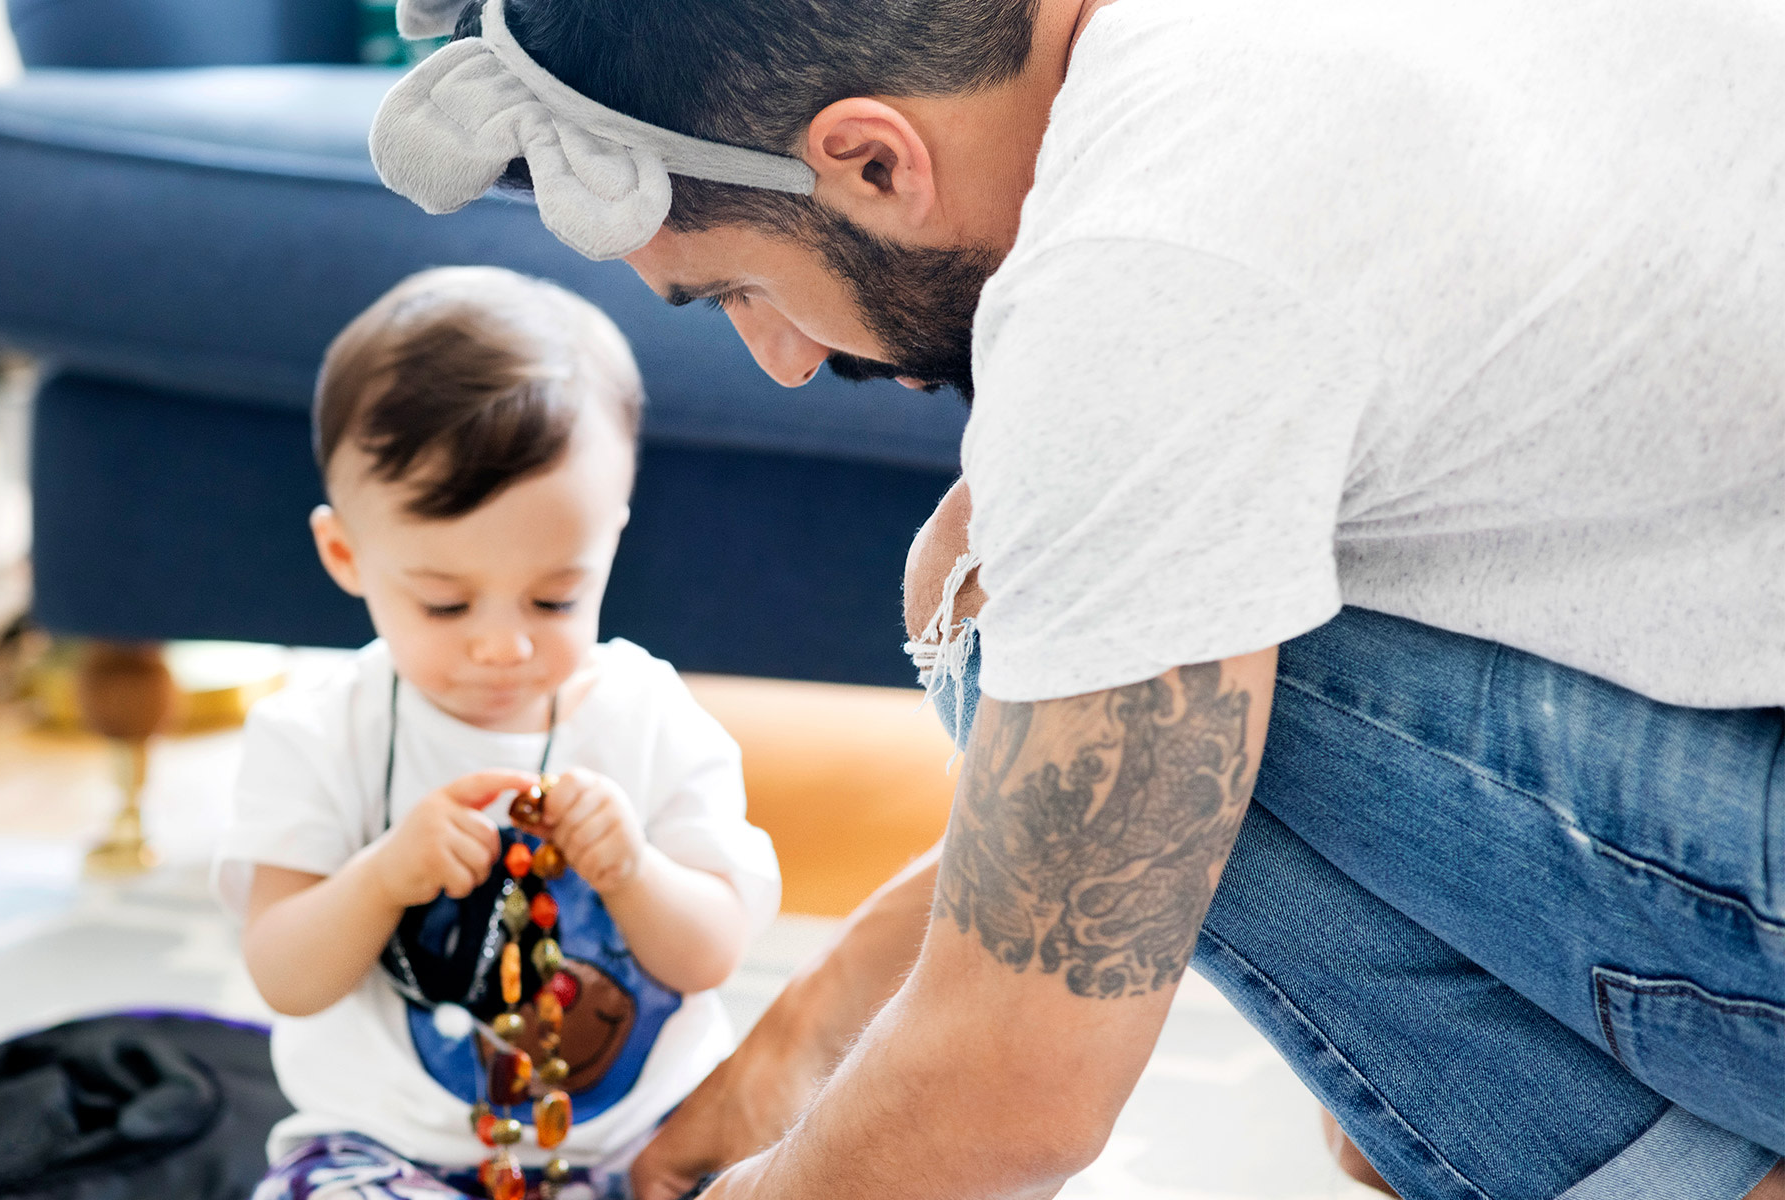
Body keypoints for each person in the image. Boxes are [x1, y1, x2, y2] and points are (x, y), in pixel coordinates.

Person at [364, 0, 1785, 1197]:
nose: (784, 361)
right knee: (1113, 593)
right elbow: (1087, 804)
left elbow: (1011, 1089)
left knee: (992, 582)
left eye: (739, 287)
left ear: (871, 161)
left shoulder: (1150, 257)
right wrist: (786, 1060)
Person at [213, 267, 780, 1199]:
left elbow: (710, 953)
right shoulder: (318, 734)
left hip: (644, 1154)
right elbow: (286, 972)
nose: (504, 646)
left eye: (557, 597)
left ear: (610, 544)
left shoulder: (648, 714)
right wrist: (385, 876)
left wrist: (635, 870)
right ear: (346, 555)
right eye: (444, 603)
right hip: (391, 1157)